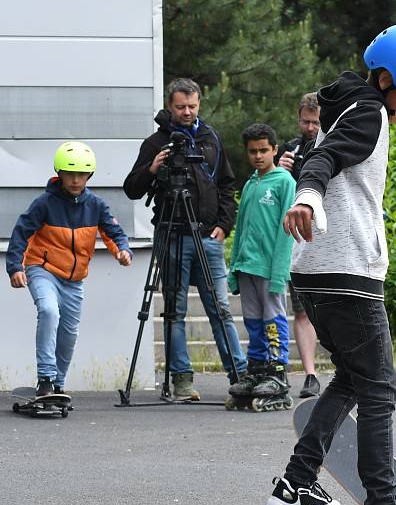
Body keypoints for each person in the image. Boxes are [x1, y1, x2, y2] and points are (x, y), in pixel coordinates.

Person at [262, 23, 396, 505]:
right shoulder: (368, 112)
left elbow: (320, 155)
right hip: (346, 274)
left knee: (351, 379)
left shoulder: (346, 108)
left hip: (316, 272)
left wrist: (311, 197)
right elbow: (322, 163)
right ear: (388, 78)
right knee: (378, 390)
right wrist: (308, 198)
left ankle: (297, 484)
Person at [123, 77, 247, 401]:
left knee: (220, 308)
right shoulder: (155, 143)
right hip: (173, 233)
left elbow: (226, 184)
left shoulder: (210, 138)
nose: (187, 112)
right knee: (174, 311)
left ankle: (240, 375)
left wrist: (225, 224)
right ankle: (182, 380)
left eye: (192, 106)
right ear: (170, 106)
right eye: (181, 107)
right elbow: (131, 188)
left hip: (207, 235)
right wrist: (152, 169)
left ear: (199, 104)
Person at [6, 142, 133, 397]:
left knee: (69, 333)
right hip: (42, 268)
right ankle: (45, 379)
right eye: (70, 173)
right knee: (49, 311)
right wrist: (14, 267)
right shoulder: (44, 203)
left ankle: (58, 384)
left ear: (89, 175)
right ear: (59, 173)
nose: (76, 180)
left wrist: (123, 250)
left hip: (74, 279)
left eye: (82, 174)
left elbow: (113, 232)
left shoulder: (95, 205)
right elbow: (21, 233)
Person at [226, 124, 296, 410]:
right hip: (247, 267)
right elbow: (241, 227)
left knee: (272, 320)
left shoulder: (284, 182)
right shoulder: (251, 183)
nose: (258, 156)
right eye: (252, 151)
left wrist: (280, 272)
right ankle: (256, 370)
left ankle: (277, 371)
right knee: (253, 322)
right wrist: (234, 267)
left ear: (275, 150)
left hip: (269, 269)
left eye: (263, 150)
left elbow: (286, 232)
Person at [275, 93, 322, 398]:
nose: (309, 128)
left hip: (326, 238)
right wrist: (279, 167)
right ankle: (310, 374)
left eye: (315, 123)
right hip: (296, 242)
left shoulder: (332, 147)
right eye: (305, 121)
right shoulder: (289, 150)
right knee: (302, 311)